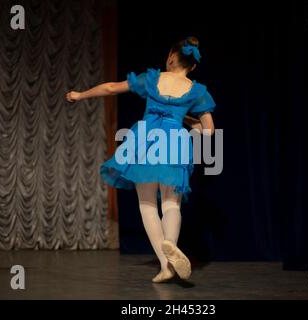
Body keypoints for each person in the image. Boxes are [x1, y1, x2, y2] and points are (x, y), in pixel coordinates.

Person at [66, 36, 216, 282]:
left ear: (171, 56)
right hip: (175, 142)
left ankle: (165, 263)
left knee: (147, 205)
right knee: (171, 205)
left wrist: (80, 95)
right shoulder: (197, 91)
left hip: (146, 141)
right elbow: (209, 131)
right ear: (193, 66)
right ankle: (171, 245)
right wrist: (185, 119)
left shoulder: (153, 79)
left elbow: (112, 88)